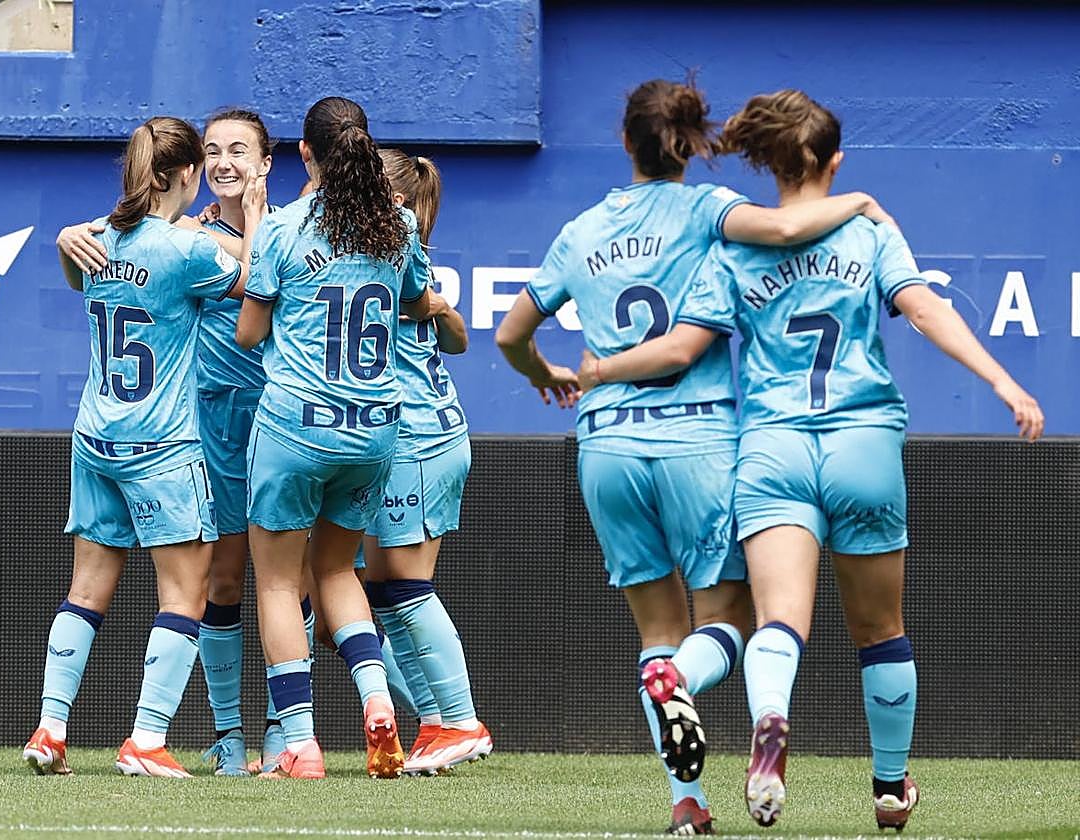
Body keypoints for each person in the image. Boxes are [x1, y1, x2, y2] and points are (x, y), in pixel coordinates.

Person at [576, 89, 1044, 832]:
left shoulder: (735, 246)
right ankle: (890, 787)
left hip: (772, 450)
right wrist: (1002, 380)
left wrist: (598, 369)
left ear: (769, 163)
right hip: (863, 446)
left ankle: (759, 720)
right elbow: (925, 309)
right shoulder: (868, 232)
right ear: (834, 161)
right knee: (880, 629)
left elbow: (682, 350)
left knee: (779, 621)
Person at [496, 78, 895, 835]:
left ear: (625, 143)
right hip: (700, 441)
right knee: (730, 621)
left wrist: (544, 373)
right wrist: (859, 203)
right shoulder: (709, 212)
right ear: (693, 144)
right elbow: (783, 233)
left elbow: (510, 335)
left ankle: (688, 805)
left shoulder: (581, 230)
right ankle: (699, 698)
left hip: (607, 444)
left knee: (655, 630)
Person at [56, 109, 317, 777]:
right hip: (206, 429)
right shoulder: (188, 237)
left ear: (266, 163)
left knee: (297, 580)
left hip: (283, 418)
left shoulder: (287, 230)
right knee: (222, 581)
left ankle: (285, 731)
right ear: (193, 167)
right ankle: (228, 735)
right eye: (213, 149)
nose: (225, 161)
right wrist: (68, 235)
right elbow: (124, 246)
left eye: (240, 150)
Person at [22, 115, 261, 778]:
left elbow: (78, 276)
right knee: (186, 594)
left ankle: (49, 729)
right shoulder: (186, 251)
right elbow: (263, 284)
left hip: (96, 436)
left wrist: (70, 236)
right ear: (185, 174)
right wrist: (253, 214)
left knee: (86, 589)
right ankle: (146, 741)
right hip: (163, 443)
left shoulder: (94, 239)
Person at [236, 96, 433, 780]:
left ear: (305, 153)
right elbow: (415, 307)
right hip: (374, 429)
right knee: (336, 571)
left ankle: (300, 744)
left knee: (277, 584)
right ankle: (379, 707)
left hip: (297, 425)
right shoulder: (400, 225)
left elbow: (249, 334)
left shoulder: (286, 230)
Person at [359, 148, 492, 776]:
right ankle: (439, 723)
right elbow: (458, 338)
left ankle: (459, 721)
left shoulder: (390, 261)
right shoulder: (408, 266)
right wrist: (439, 308)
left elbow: (448, 329)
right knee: (383, 593)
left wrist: (436, 308)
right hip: (421, 438)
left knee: (406, 590)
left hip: (416, 441)